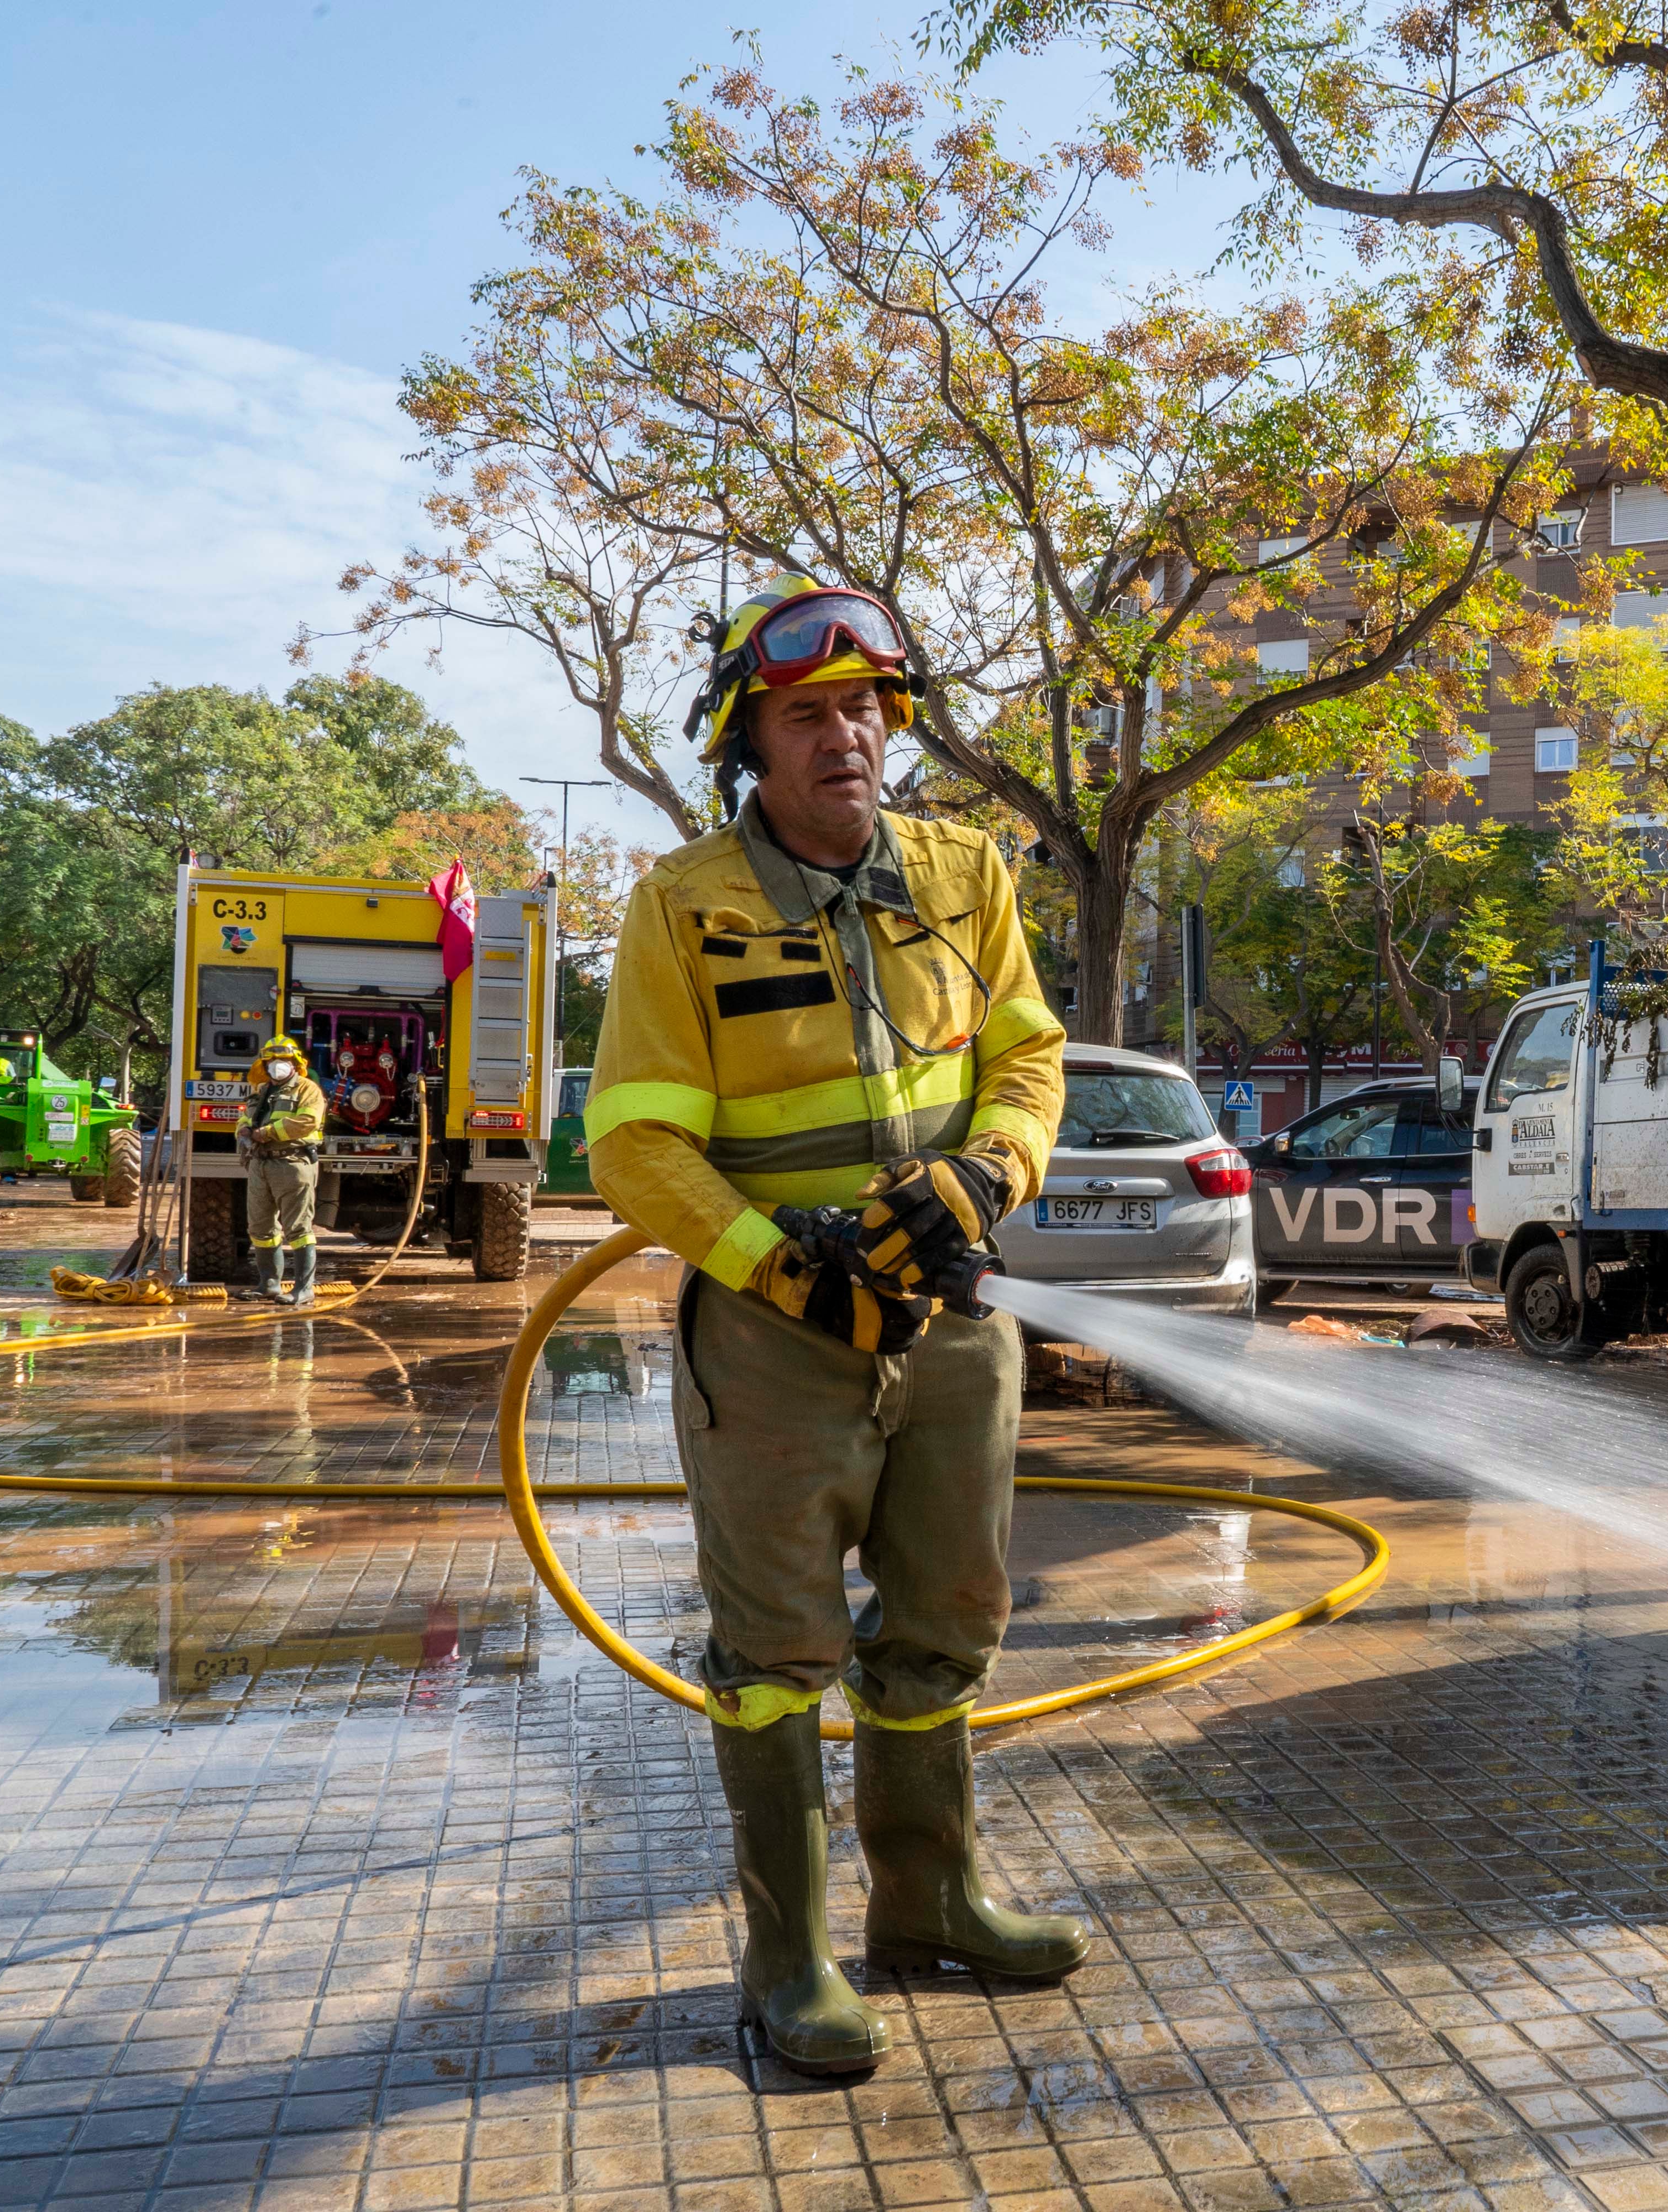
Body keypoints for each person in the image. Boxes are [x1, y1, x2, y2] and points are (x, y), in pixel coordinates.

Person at [585, 577, 1083, 2075]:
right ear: (753, 739)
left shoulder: (964, 873)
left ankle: (931, 1908)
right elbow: (634, 1145)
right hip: (773, 1348)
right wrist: (781, 1267)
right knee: (779, 1653)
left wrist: (993, 1168)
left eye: (866, 708)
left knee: (944, 1631)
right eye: (808, 714)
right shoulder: (684, 906)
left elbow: (1030, 1057)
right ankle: (790, 1954)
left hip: (952, 1330)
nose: (846, 737)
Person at [243, 1034, 326, 1305]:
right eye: (272, 1061)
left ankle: (304, 1289)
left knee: (298, 1229)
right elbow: (246, 1117)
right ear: (265, 1065)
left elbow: (308, 1121)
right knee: (260, 1227)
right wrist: (243, 1130)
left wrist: (267, 1133)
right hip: (260, 1164)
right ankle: (269, 1284)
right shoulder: (262, 1091)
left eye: (284, 1060)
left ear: (295, 1063)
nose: (278, 1065)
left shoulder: (307, 1089)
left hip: (292, 1163)